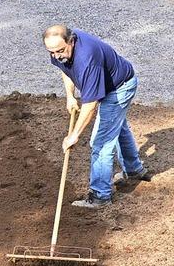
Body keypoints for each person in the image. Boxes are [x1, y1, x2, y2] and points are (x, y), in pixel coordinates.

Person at [43, 25, 150, 209]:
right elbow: (65, 69)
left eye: (60, 50)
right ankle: (134, 170)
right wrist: (70, 96)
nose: (56, 55)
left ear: (71, 40)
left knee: (101, 141)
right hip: (109, 84)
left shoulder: (87, 59)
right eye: (51, 52)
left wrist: (74, 135)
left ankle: (100, 195)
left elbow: (91, 105)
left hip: (119, 88)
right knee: (116, 127)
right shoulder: (58, 50)